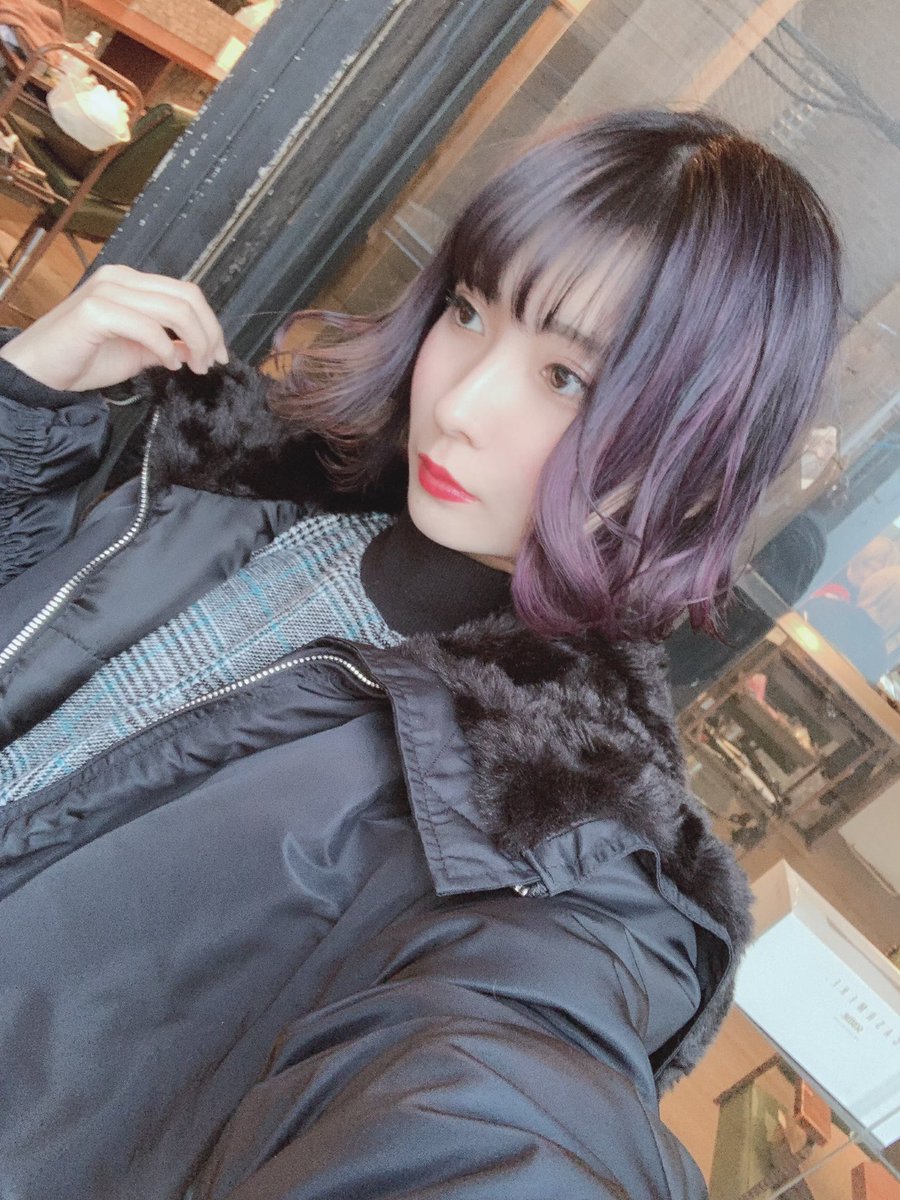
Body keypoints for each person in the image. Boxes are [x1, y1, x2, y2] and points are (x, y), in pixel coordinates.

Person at [0, 108, 842, 1199]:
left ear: (698, 457)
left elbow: (506, 1096)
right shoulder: (253, 491)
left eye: (568, 380)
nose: (463, 405)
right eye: (469, 310)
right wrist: (23, 413)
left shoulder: (547, 831)